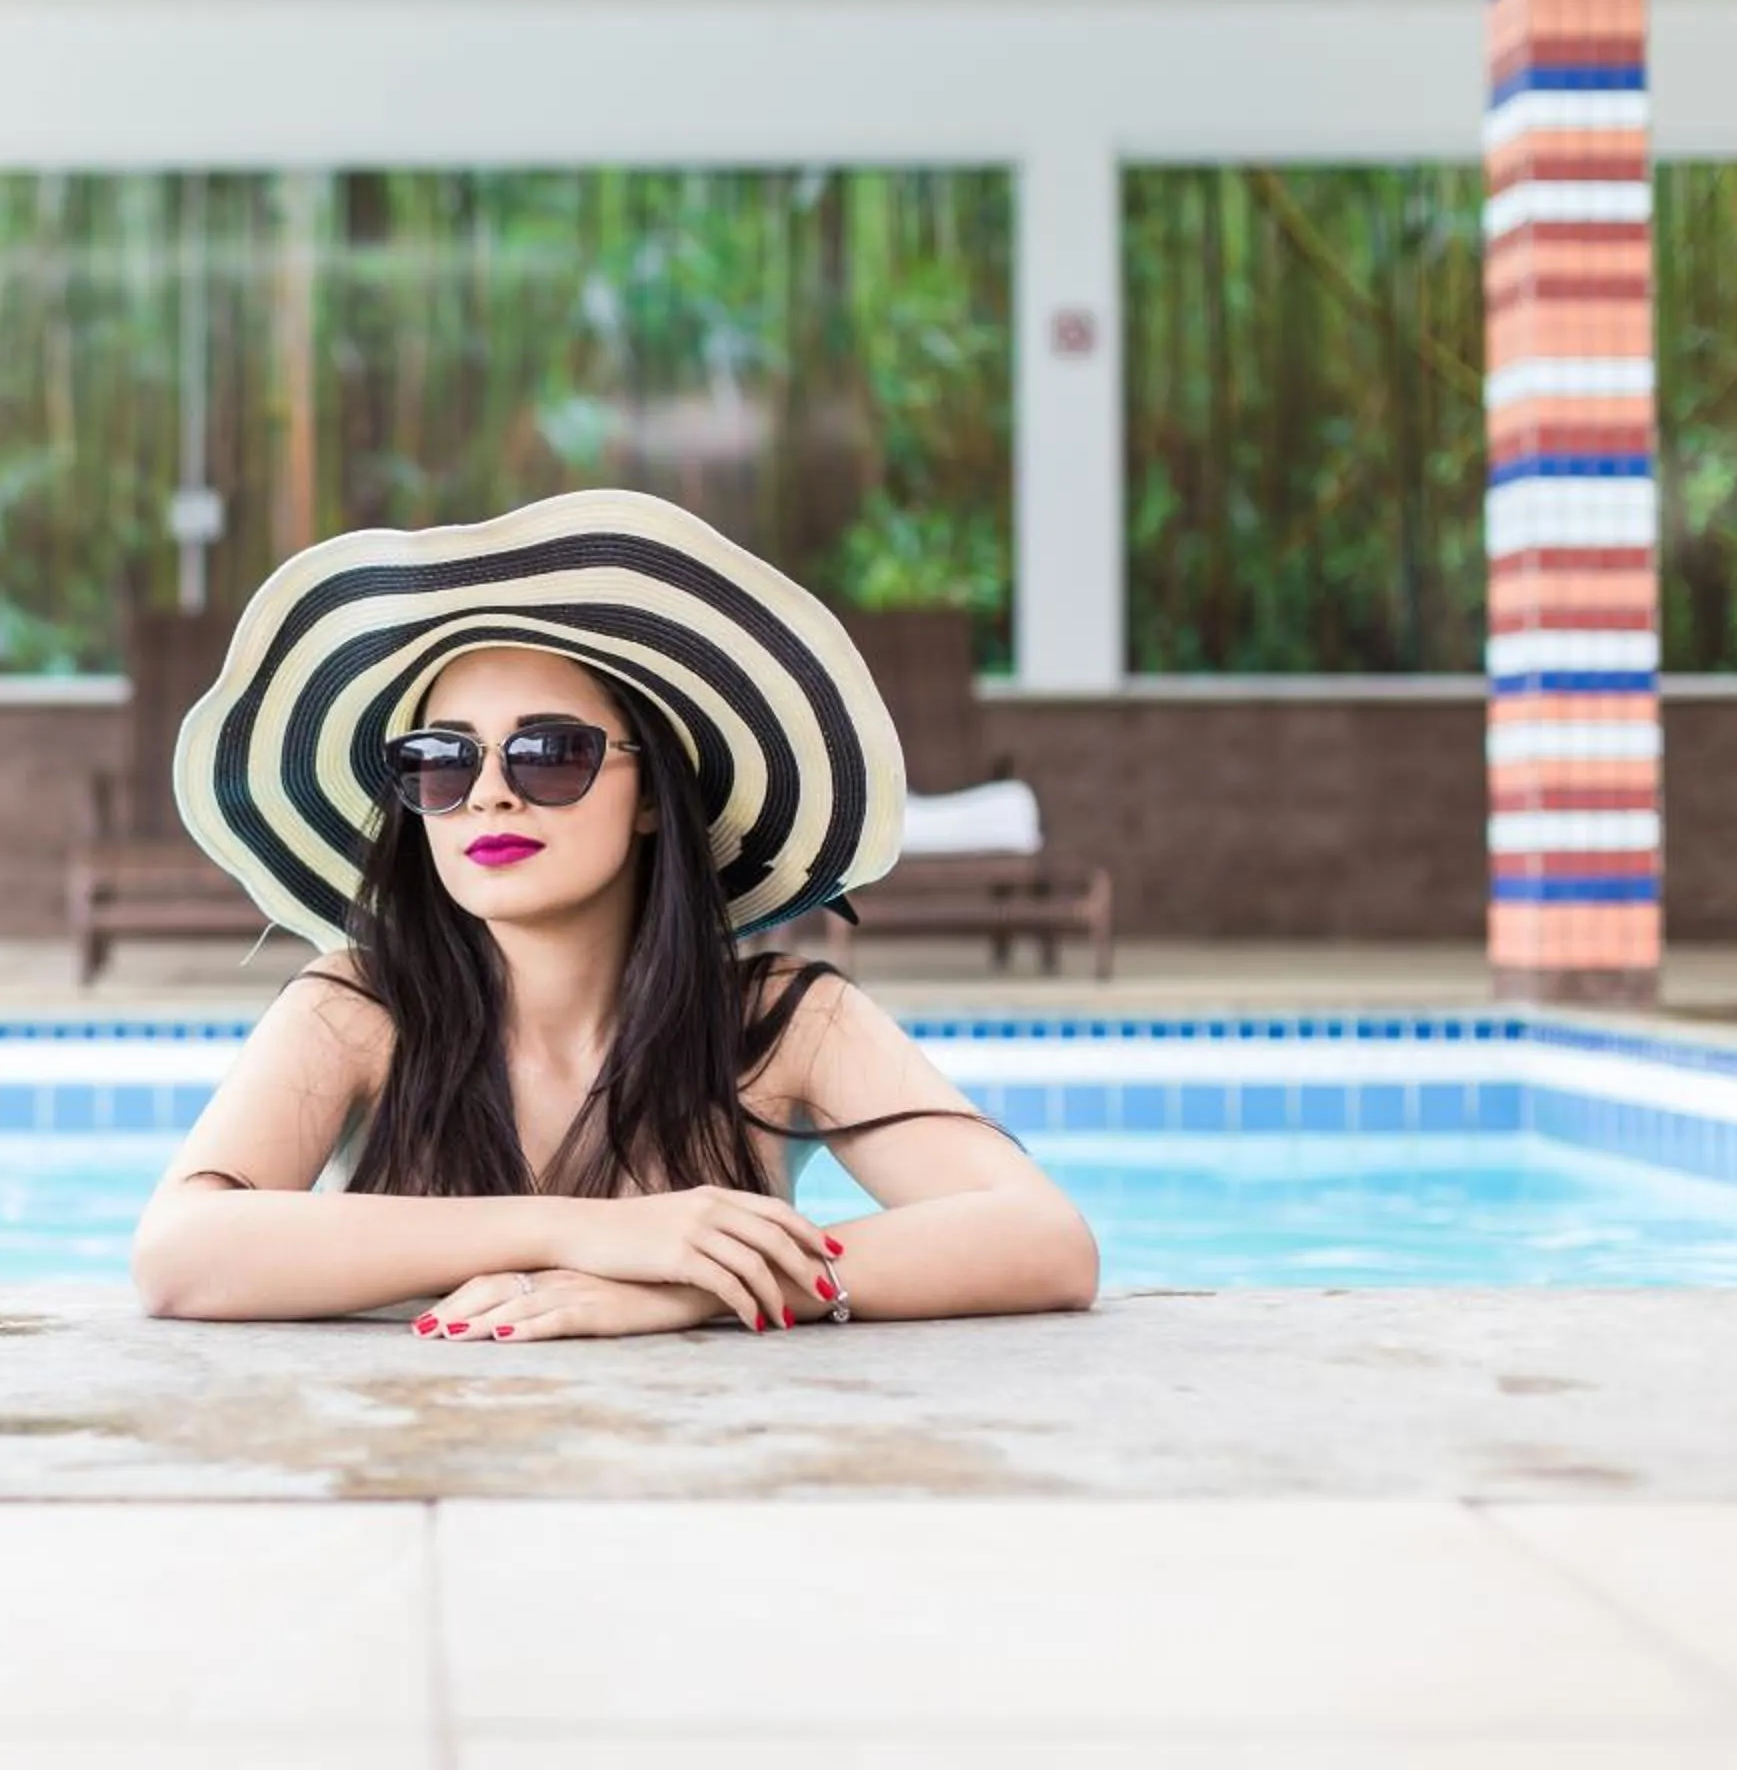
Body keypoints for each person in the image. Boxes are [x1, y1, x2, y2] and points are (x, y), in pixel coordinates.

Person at [132, 489, 1097, 1339]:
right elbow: (179, 1253)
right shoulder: (357, 1008)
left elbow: (1044, 1239)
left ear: (649, 797)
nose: (490, 795)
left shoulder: (781, 1021)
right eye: (441, 759)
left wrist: (702, 1288)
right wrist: (591, 1233)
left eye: (550, 752)